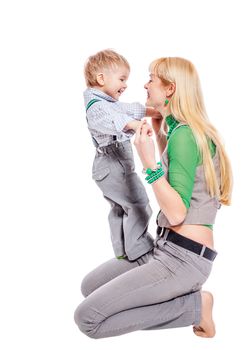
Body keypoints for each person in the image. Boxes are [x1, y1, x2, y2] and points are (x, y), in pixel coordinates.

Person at [74, 56, 233, 339]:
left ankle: (195, 307)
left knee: (88, 319)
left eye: (151, 78)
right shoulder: (180, 132)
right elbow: (173, 173)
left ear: (170, 88)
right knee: (90, 287)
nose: (145, 84)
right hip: (163, 247)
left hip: (183, 259)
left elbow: (176, 214)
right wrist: (158, 119)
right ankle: (172, 299)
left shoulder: (186, 136)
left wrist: (148, 163)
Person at [84, 49, 160, 261]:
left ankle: (123, 253)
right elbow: (111, 120)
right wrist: (133, 125)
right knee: (137, 203)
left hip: (110, 167)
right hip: (111, 164)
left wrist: (152, 112)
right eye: (121, 79)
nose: (125, 84)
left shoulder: (108, 103)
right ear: (101, 78)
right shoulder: (96, 107)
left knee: (120, 209)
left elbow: (128, 109)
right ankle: (141, 252)